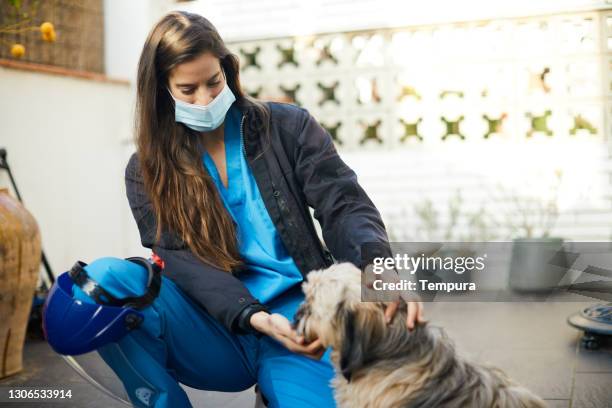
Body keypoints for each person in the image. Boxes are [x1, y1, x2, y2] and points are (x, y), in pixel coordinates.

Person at [98, 10, 425, 408]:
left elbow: (343, 204)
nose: (206, 99)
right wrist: (251, 315)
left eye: (214, 83)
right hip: (213, 326)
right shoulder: (146, 170)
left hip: (300, 323)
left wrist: (377, 265)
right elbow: (180, 259)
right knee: (100, 288)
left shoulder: (288, 129)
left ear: (227, 70)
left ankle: (275, 386)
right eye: (188, 89)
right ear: (161, 89)